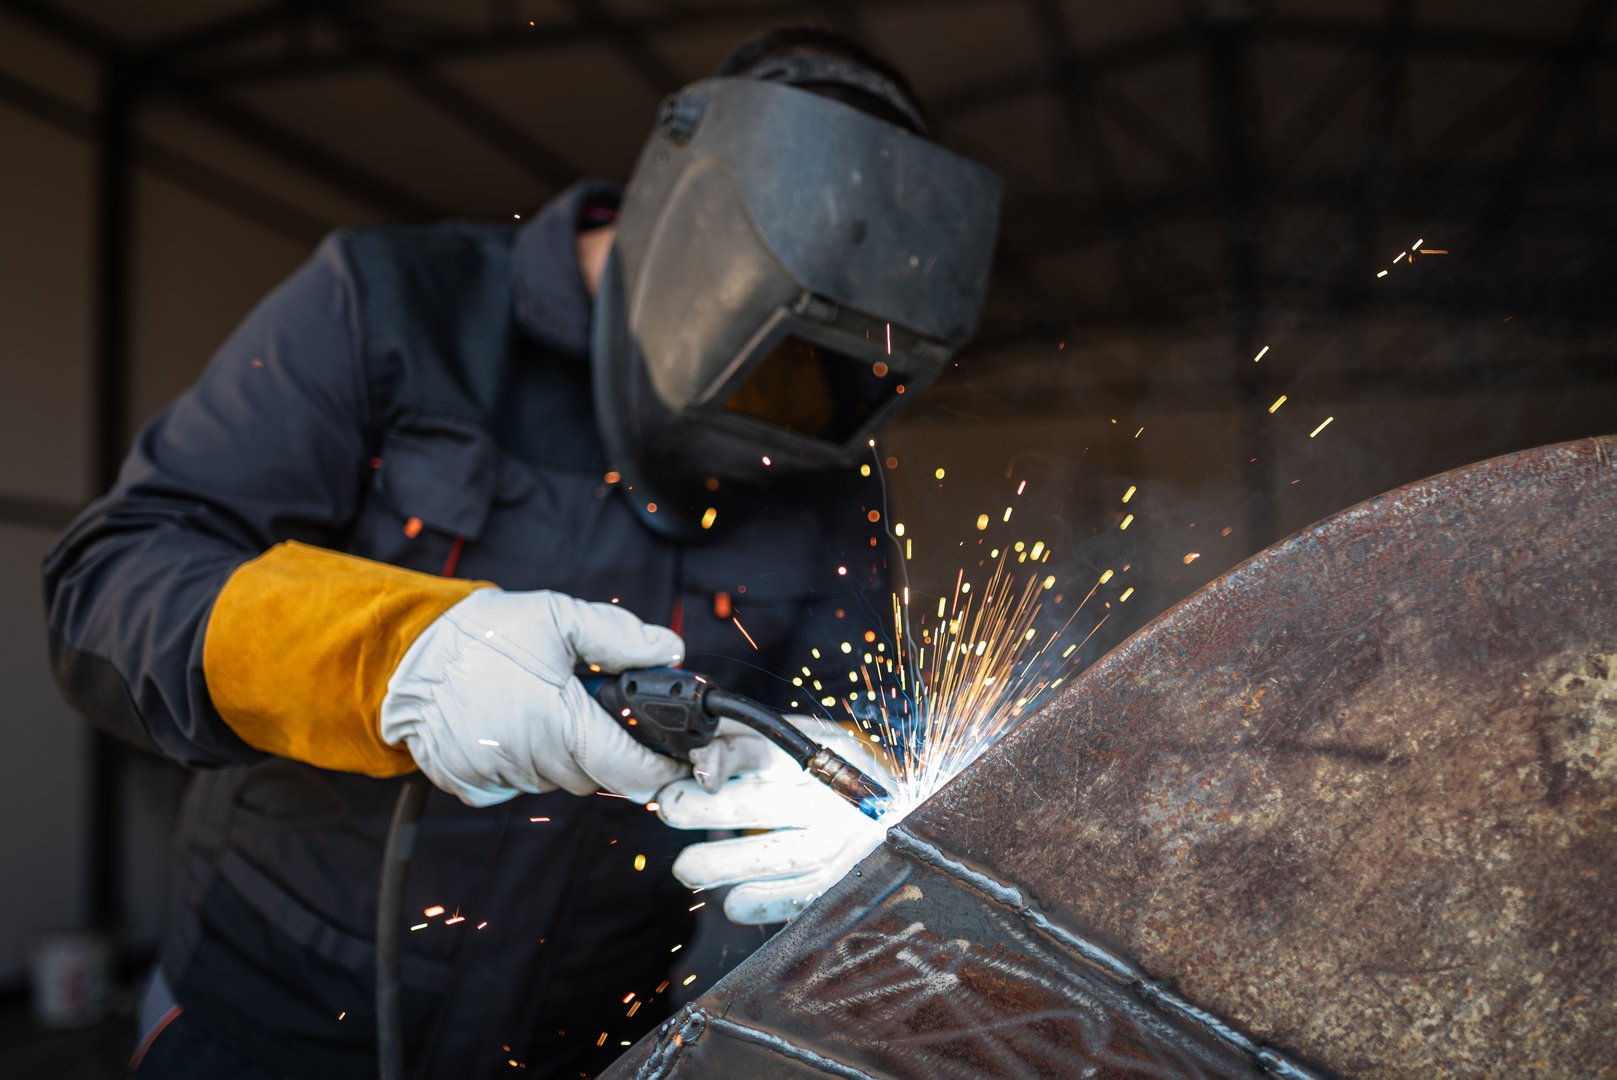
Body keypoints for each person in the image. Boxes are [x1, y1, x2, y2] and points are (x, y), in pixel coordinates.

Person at [43, 26, 999, 1079]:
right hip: (268, 1020)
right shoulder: (391, 303)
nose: (781, 417)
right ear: (679, 218)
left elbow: (883, 729)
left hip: (583, 1047)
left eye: (828, 379)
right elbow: (111, 582)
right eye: (773, 361)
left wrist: (863, 806)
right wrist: (398, 655)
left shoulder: (828, 463)